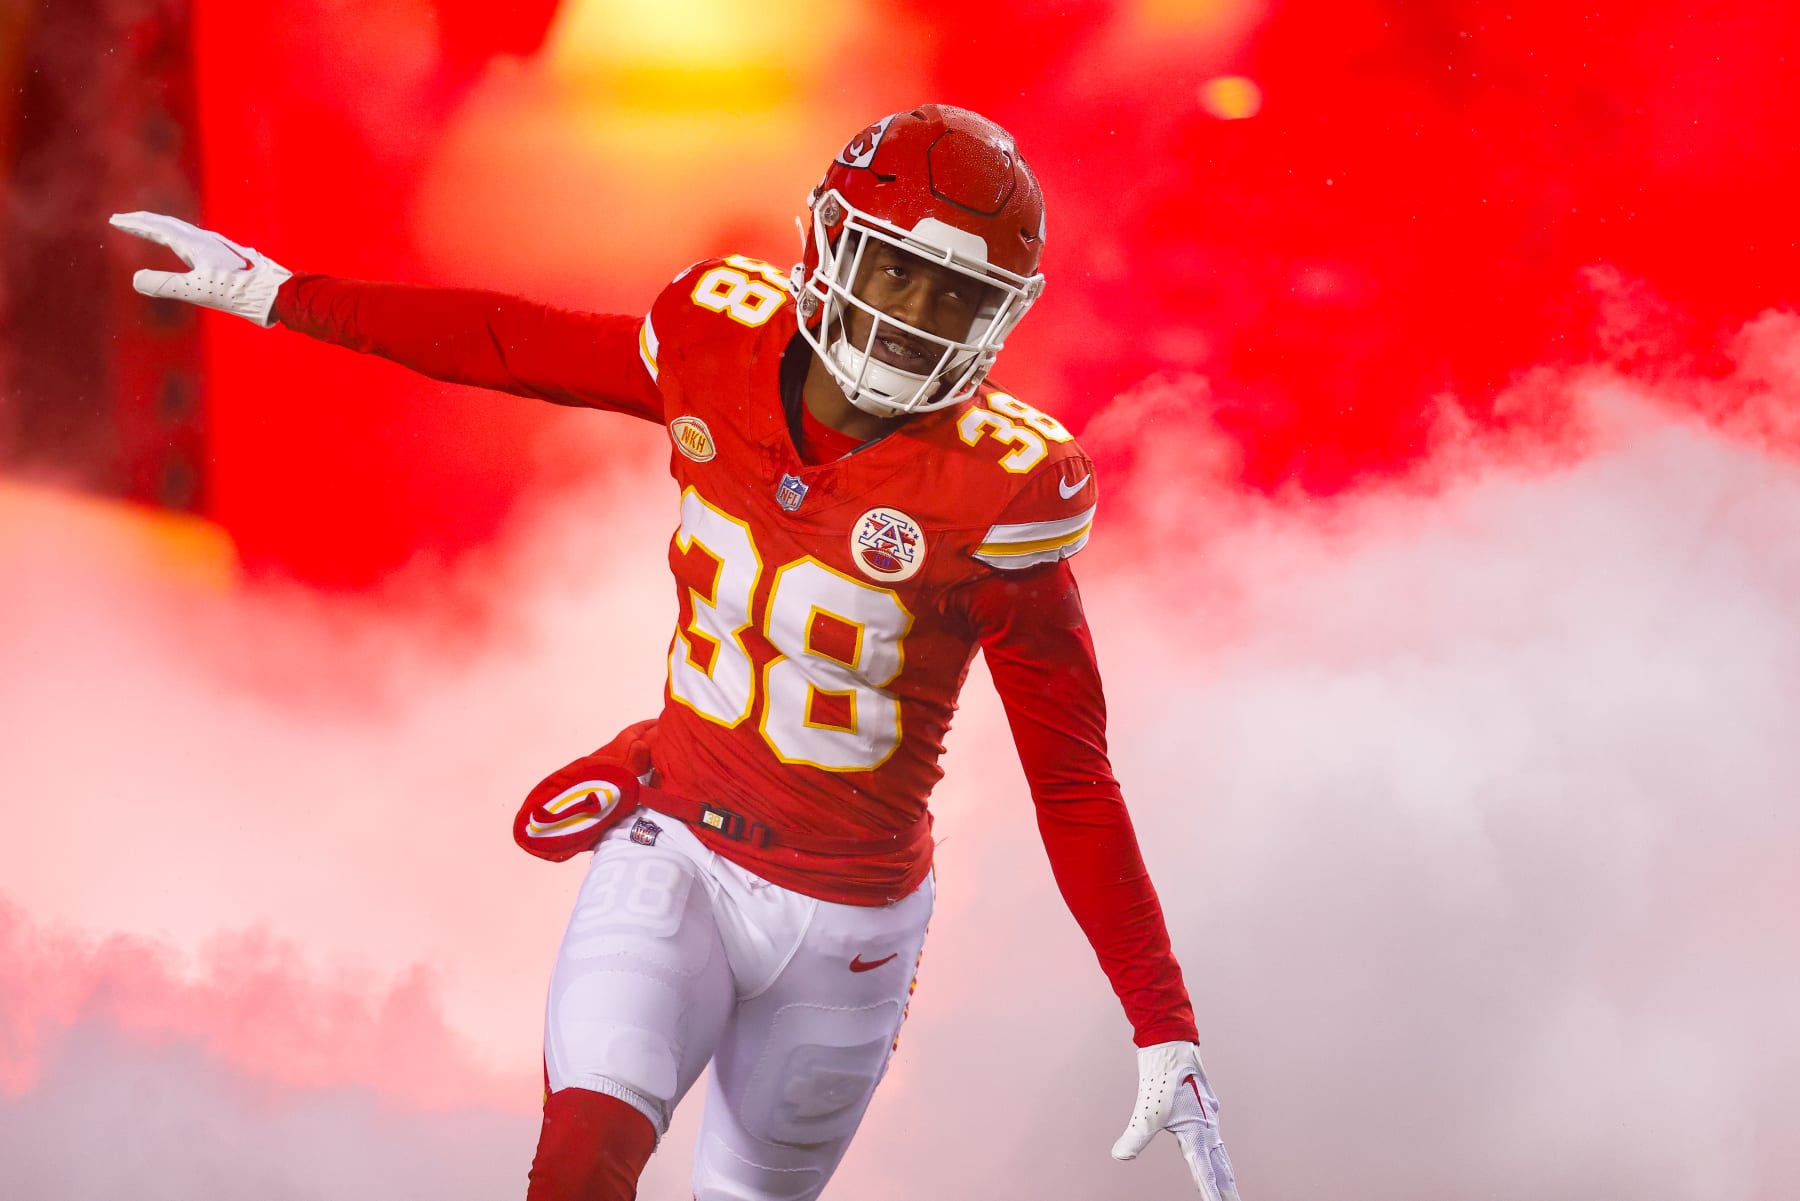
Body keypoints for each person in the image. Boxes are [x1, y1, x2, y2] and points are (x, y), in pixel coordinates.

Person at [111, 104, 1241, 1201]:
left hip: (848, 923)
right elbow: (507, 342)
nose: (914, 320)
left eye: (957, 297)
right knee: (578, 1165)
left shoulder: (997, 492)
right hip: (679, 844)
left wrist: (1163, 1022)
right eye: (898, 271)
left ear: (1000, 318)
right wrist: (280, 295)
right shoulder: (718, 343)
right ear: (833, 241)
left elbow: (1075, 782)